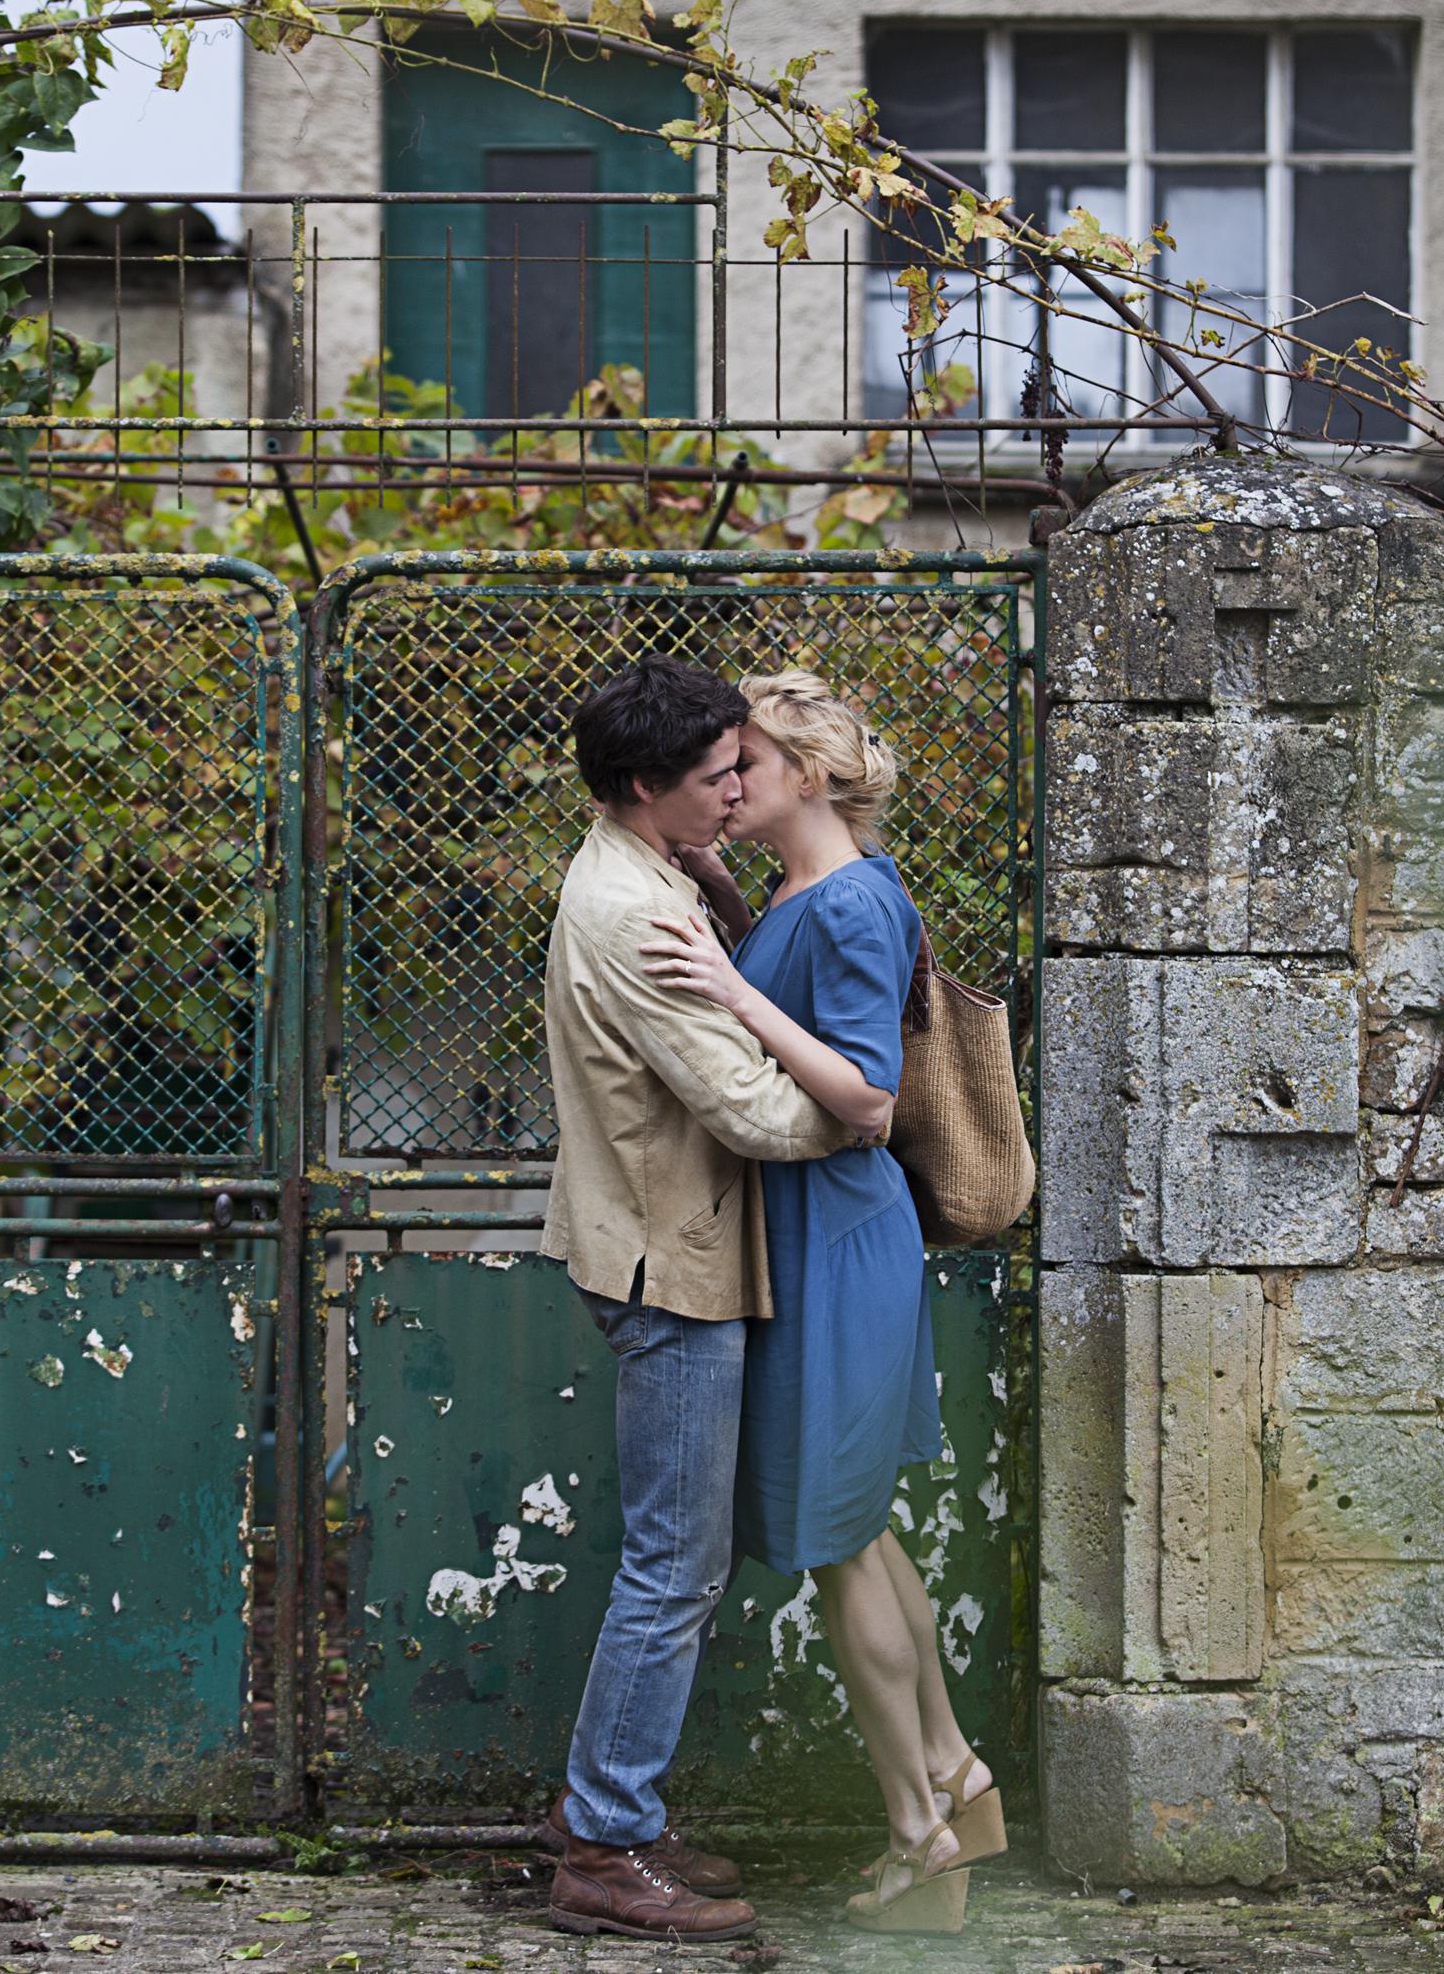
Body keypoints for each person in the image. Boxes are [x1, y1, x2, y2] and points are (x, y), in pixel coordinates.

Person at [532, 656, 891, 1943]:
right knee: (672, 1569)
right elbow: (748, 1109)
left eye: (742, 767)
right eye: (713, 776)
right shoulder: (634, 915)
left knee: (677, 1560)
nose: (737, 789)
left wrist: (725, 896)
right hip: (670, 1266)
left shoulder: (650, 867)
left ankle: (608, 1809)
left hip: (662, 1244)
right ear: (644, 786)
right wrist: (864, 1112)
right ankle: (604, 1844)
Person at [639, 669, 1002, 1937]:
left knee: (833, 1536)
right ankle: (952, 1775)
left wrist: (729, 987)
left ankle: (918, 1834)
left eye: (743, 763)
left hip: (835, 1241)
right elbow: (802, 982)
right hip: (820, 1240)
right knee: (859, 1528)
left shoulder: (849, 900)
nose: (725, 782)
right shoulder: (820, 889)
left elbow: (864, 1097)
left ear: (804, 775)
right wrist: (731, 913)